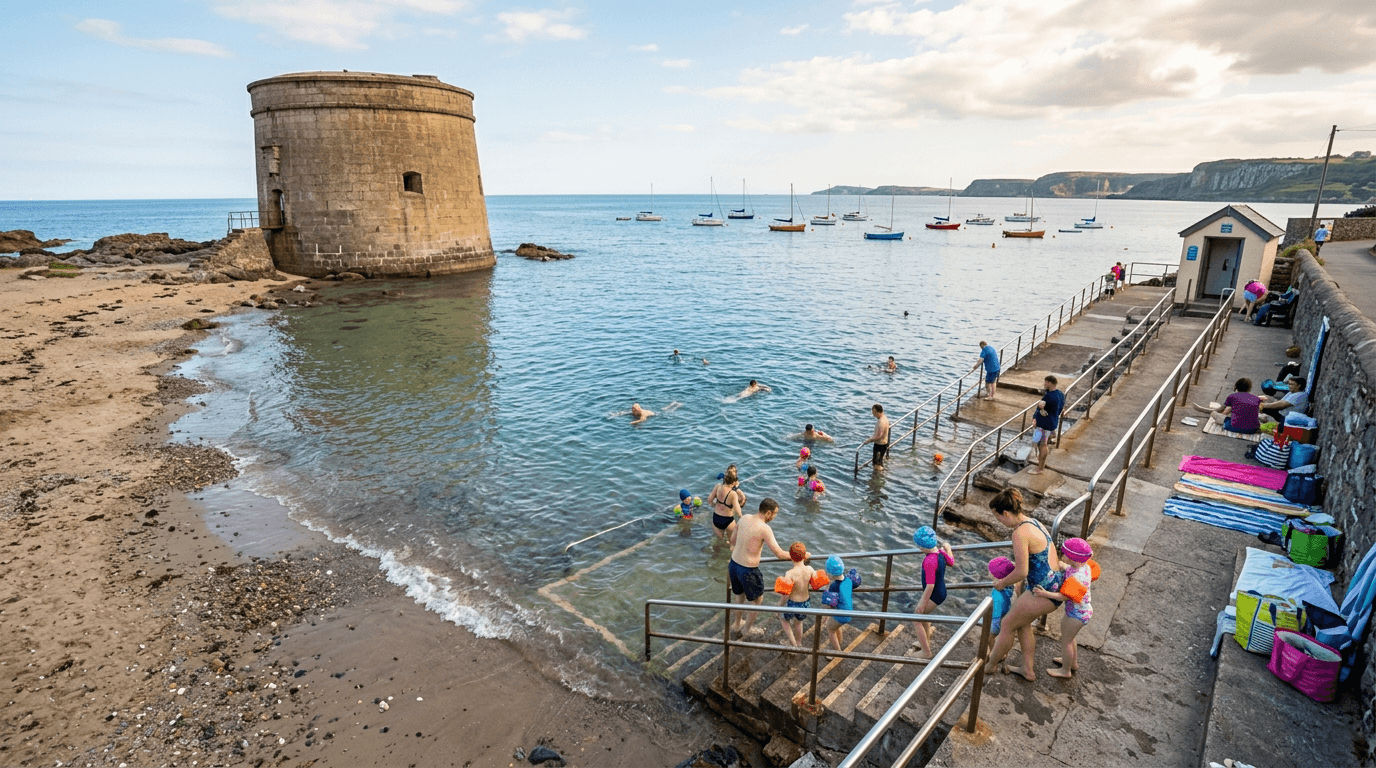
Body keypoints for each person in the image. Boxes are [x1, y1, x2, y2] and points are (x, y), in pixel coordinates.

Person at [983, 488, 1064, 682]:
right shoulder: (1034, 523)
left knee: (1007, 624)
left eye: (998, 518)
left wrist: (1002, 583)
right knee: (1023, 623)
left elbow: (1021, 571)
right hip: (1053, 584)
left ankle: (990, 665)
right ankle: (1027, 669)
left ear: (1006, 513)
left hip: (1042, 592)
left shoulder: (1020, 533)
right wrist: (1020, 586)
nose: (999, 522)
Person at [728, 498, 792, 637]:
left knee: (739, 596)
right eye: (774, 514)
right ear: (768, 513)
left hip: (733, 565)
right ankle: (746, 630)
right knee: (757, 601)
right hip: (748, 570)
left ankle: (737, 624)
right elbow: (779, 553)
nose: (774, 517)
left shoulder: (744, 518)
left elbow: (732, 540)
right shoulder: (764, 528)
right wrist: (801, 556)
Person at [1032, 537, 1095, 679]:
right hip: (1082, 611)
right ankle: (1073, 663)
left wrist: (1044, 593)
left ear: (1071, 557)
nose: (1062, 554)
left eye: (1064, 553)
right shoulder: (1084, 567)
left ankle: (1065, 670)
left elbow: (1063, 596)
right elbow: (1072, 569)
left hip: (1076, 614)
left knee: (1066, 641)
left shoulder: (1077, 578)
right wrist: (1064, 566)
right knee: (1071, 638)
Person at [913, 526, 955, 659]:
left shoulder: (929, 561)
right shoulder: (940, 553)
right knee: (925, 616)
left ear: (923, 546)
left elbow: (930, 585)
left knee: (916, 618)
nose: (918, 548)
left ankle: (926, 652)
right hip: (941, 591)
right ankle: (925, 642)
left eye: (918, 546)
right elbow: (951, 562)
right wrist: (948, 548)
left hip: (935, 594)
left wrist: (921, 603)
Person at [775, 541, 817, 646]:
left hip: (793, 604)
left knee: (783, 618)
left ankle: (793, 643)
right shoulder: (810, 569)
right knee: (798, 623)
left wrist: (779, 606)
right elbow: (815, 582)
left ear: (791, 557)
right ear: (804, 556)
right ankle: (799, 642)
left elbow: (785, 595)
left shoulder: (790, 574)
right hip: (806, 603)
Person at [1192, 378, 1261, 434]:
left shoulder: (1232, 396)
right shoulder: (1256, 398)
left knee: (1214, 413)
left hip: (1234, 427)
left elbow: (1220, 410)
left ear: (1236, 387)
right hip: (1253, 429)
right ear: (1249, 388)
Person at [1028, 376, 1063, 475]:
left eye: (1046, 383)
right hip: (1053, 422)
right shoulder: (1060, 394)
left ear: (1051, 383)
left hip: (1045, 424)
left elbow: (1041, 408)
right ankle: (1041, 462)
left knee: (1042, 444)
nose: (1044, 384)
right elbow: (1060, 409)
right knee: (1042, 443)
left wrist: (1039, 409)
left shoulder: (1049, 396)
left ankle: (1040, 468)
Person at [821, 555, 854, 652]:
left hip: (840, 616)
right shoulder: (848, 580)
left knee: (830, 630)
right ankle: (839, 642)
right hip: (849, 612)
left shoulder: (834, 587)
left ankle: (838, 652)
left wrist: (824, 615)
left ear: (830, 574)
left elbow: (830, 604)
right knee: (835, 627)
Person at [987, 557, 1016, 636]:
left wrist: (993, 630)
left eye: (990, 570)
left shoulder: (997, 594)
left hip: (996, 621)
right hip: (1004, 616)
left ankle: (992, 648)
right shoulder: (1008, 587)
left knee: (991, 638)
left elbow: (996, 612)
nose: (988, 572)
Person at [861, 404, 890, 470]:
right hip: (883, 444)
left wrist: (868, 440)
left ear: (878, 412)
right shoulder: (884, 418)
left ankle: (878, 478)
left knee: (877, 464)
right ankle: (880, 475)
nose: (873, 415)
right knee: (879, 461)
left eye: (874, 413)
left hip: (880, 445)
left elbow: (878, 436)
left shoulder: (881, 422)